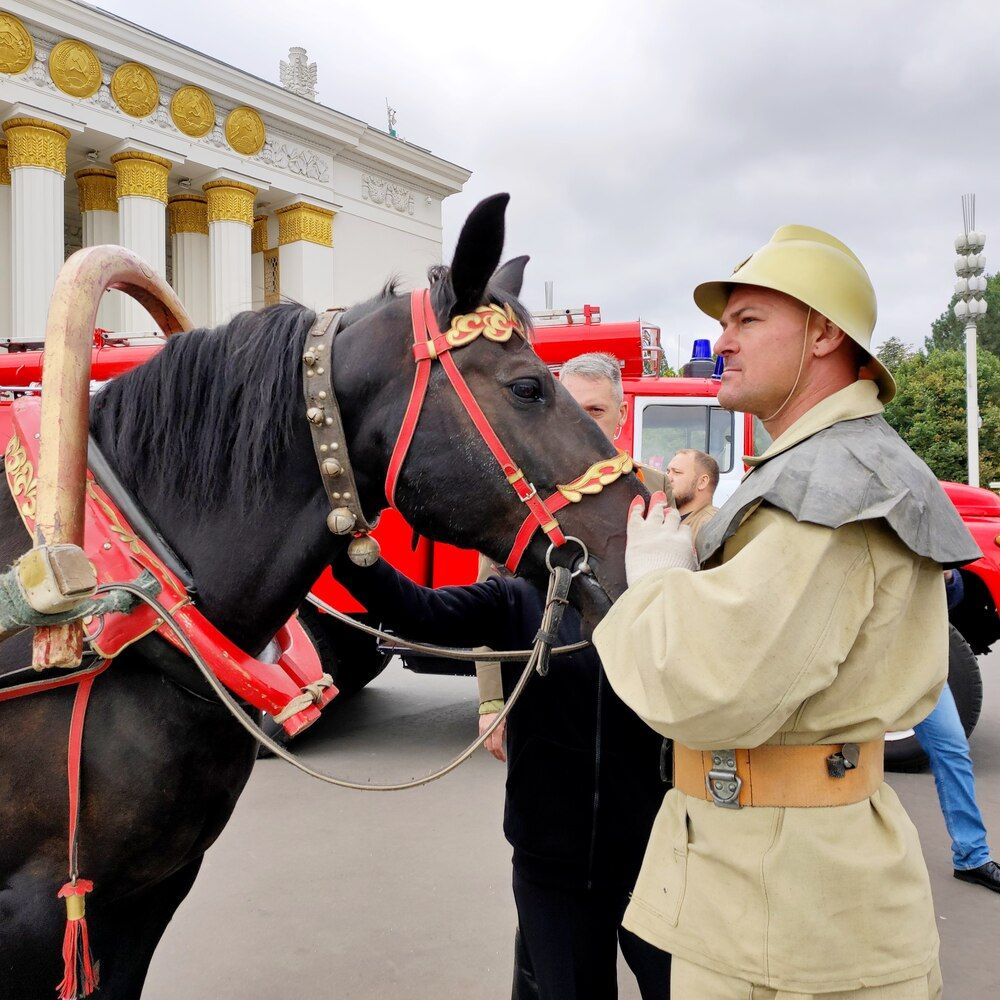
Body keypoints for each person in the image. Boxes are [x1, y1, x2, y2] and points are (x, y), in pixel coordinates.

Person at [593, 224, 982, 998]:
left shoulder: (829, 486)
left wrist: (658, 579)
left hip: (786, 903)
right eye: (722, 322)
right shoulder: (828, 465)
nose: (723, 341)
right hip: (781, 879)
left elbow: (703, 687)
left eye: (747, 321)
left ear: (824, 331)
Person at [334, 357, 675, 1000]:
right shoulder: (523, 571)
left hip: (655, 847)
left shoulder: (660, 516)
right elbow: (424, 612)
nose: (577, 427)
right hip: (552, 852)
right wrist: (352, 546)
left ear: (621, 417)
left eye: (595, 412)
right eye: (569, 409)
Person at [916, 569, 1000, 893]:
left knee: (953, 752)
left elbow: (951, 601)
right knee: (845, 761)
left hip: (923, 668)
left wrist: (949, 579)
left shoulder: (930, 530)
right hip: (870, 666)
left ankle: (972, 857)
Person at [664, 449, 718, 542]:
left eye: (677, 472)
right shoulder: (667, 517)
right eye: (668, 471)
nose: (668, 478)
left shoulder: (710, 526)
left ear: (702, 482)